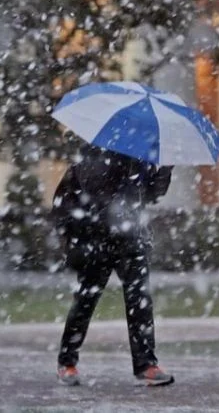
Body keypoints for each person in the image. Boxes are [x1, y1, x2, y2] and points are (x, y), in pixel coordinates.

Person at [52, 144, 174, 387]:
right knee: (86, 299)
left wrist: (165, 169)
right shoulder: (92, 155)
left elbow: (151, 194)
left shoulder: (141, 157)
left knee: (140, 300)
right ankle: (67, 362)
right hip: (96, 239)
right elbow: (88, 195)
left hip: (131, 239)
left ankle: (146, 364)